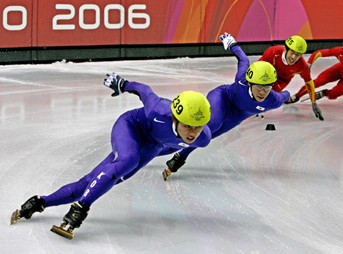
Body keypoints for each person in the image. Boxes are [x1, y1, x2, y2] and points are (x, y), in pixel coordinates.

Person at [11, 74, 212, 239]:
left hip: (152, 146)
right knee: (128, 160)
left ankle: (40, 202)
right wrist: (122, 84)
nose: (192, 133)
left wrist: (158, 150)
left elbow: (172, 146)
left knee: (94, 183)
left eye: (197, 127)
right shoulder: (158, 110)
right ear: (175, 118)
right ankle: (80, 208)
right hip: (131, 127)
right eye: (187, 125)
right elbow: (144, 90)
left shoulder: (203, 139)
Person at [162, 32, 290, 181]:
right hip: (223, 98)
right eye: (259, 87)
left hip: (238, 115)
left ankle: (179, 155)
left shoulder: (273, 100)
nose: (263, 92)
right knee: (212, 123)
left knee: (205, 137)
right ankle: (163, 134)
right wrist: (233, 44)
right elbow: (243, 59)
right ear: (249, 82)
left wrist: (291, 96)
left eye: (267, 87)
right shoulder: (242, 80)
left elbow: (285, 95)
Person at [258, 35, 324, 121]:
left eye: (297, 55)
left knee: (266, 98)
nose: (293, 57)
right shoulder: (272, 52)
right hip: (266, 75)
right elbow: (256, 69)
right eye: (292, 52)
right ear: (285, 50)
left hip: (282, 80)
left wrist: (314, 102)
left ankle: (283, 97)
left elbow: (308, 82)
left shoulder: (302, 66)